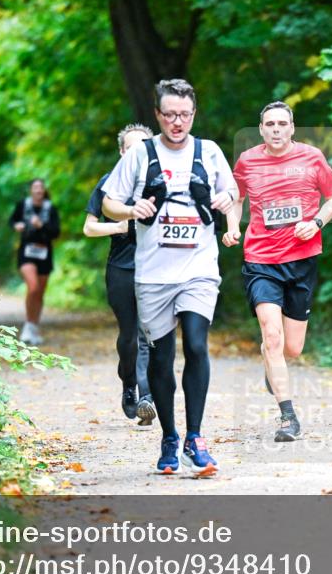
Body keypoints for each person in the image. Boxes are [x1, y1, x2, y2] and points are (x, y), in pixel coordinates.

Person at [102, 78, 238, 476]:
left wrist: (228, 200)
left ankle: (195, 437)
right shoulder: (139, 155)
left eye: (185, 114)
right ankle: (169, 437)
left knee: (196, 343)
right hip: (153, 275)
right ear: (158, 115)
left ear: (194, 114)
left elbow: (233, 193)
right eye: (170, 114)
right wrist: (132, 210)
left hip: (198, 269)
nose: (178, 122)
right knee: (161, 360)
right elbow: (108, 203)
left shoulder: (208, 152)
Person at [223, 101, 332, 442]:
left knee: (292, 349)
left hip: (301, 260)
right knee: (272, 336)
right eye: (270, 124)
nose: (276, 129)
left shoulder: (312, 157)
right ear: (261, 129)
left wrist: (316, 222)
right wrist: (232, 226)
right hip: (260, 259)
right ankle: (288, 417)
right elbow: (236, 199)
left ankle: (271, 360)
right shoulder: (247, 161)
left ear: (292, 128)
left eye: (282, 124)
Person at [83, 123, 157, 427]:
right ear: (122, 152)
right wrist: (118, 226)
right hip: (121, 268)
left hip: (155, 268)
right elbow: (89, 227)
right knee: (129, 336)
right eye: (131, 147)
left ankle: (146, 397)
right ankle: (128, 383)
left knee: (147, 334)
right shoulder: (109, 183)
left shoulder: (160, 182)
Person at [9, 178, 60, 345]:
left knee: (40, 292)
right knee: (33, 287)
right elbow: (12, 221)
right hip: (27, 253)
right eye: (35, 187)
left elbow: (56, 232)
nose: (38, 190)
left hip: (44, 253)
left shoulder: (50, 208)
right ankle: (28, 325)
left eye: (41, 187)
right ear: (31, 190)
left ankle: (34, 327)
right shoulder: (23, 205)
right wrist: (17, 225)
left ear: (44, 190)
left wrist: (41, 226)